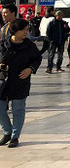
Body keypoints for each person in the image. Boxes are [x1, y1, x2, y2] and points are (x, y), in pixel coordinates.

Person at [0, 19, 42, 148]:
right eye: (23, 30)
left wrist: (30, 69)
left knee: (18, 109)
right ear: (15, 31)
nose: (26, 32)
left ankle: (14, 136)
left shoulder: (29, 45)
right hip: (3, 82)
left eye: (27, 29)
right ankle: (7, 132)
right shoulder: (3, 45)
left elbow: (37, 59)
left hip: (20, 80)